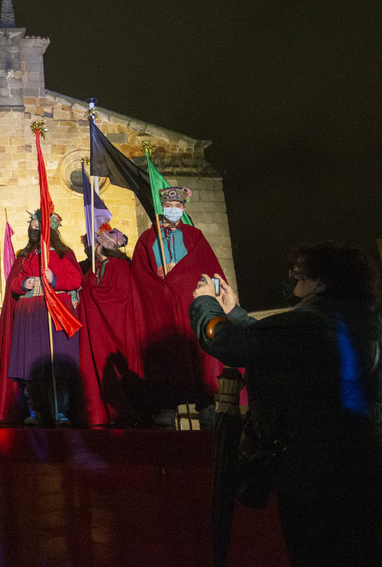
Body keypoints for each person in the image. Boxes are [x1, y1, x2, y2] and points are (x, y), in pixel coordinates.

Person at [190, 242, 382, 565]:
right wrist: (235, 312)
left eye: (299, 275)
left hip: (315, 472)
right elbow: (280, 345)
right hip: (368, 463)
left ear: (321, 282)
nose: (293, 280)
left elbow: (227, 343)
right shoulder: (364, 320)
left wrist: (205, 304)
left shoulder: (306, 323)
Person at [131, 186, 224, 425]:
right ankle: (167, 405)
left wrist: (180, 276)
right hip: (160, 305)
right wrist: (159, 281)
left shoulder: (194, 235)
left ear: (184, 208)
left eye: (177, 206)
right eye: (168, 207)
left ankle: (206, 403)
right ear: (161, 208)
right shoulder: (148, 238)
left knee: (197, 348)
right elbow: (139, 273)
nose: (173, 210)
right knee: (165, 350)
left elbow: (205, 264)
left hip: (189, 300)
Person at [4, 210, 84, 426]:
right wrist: (22, 284)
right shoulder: (25, 255)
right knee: (31, 366)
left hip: (55, 312)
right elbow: (14, 281)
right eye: (33, 225)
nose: (34, 229)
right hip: (30, 314)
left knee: (57, 367)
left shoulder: (63, 253)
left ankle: (60, 412)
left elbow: (76, 279)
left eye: (39, 226)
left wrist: (55, 279)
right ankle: (35, 412)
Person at [78, 225, 147, 426]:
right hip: (99, 329)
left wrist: (91, 293)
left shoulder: (120, 266)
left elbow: (119, 297)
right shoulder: (96, 267)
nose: (93, 247)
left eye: (97, 243)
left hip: (117, 328)